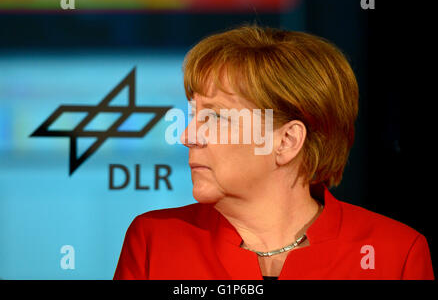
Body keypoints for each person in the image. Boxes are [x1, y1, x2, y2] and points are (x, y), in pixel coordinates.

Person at [114, 25, 434, 280]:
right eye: (193, 115)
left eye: (214, 116)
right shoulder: (154, 241)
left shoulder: (396, 252)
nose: (186, 135)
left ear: (286, 141)